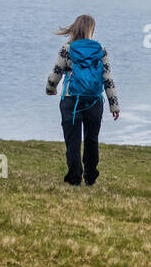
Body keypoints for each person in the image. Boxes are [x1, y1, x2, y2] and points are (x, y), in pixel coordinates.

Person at [45, 14, 119, 186]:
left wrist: (50, 89)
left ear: (75, 28)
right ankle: (91, 176)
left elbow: (56, 73)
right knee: (92, 139)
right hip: (94, 101)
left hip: (71, 100)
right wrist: (114, 105)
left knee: (73, 141)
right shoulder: (100, 49)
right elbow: (107, 77)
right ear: (91, 29)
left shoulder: (67, 48)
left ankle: (74, 177)